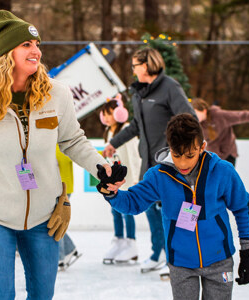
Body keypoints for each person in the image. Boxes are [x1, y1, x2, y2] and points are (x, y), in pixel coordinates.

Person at [0, 10, 110, 300]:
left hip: (45, 215)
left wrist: (103, 169)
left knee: (42, 295)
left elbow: (73, 140)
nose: (36, 51)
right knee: (1, 295)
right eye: (27, 45)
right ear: (8, 53)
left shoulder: (57, 94)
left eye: (37, 44)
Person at [99, 113, 249, 299]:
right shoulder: (159, 176)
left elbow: (242, 207)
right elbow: (133, 202)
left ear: (202, 147)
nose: (183, 163)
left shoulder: (222, 172)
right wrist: (112, 193)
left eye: (190, 155)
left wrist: (248, 251)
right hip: (181, 263)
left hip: (219, 259)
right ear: (170, 148)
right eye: (177, 155)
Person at [103, 47, 196, 274]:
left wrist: (185, 153)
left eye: (135, 65)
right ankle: (159, 253)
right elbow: (136, 126)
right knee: (152, 209)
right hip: (149, 162)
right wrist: (114, 142)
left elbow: (189, 119)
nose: (133, 70)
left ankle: (180, 257)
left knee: (180, 208)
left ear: (146, 65)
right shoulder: (139, 94)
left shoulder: (169, 88)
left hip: (173, 162)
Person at [99, 94, 141, 264]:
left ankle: (131, 243)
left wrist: (137, 178)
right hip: (113, 179)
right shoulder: (109, 132)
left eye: (110, 113)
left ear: (120, 113)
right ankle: (119, 240)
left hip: (128, 180)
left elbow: (133, 155)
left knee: (127, 211)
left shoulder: (127, 129)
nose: (107, 118)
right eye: (105, 114)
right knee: (115, 210)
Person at [190, 97, 249, 166]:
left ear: (204, 110)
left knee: (226, 181)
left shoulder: (220, 115)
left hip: (228, 153)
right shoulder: (196, 123)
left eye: (195, 112)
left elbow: (242, 115)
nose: (194, 116)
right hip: (213, 156)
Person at [56, 145, 82, 270]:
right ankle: (70, 249)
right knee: (55, 221)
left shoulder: (62, 144)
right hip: (53, 189)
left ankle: (60, 258)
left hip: (63, 189)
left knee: (57, 221)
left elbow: (67, 158)